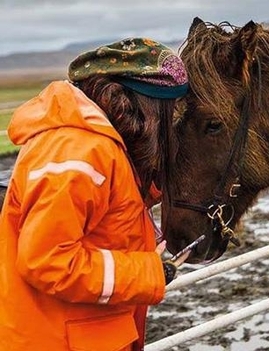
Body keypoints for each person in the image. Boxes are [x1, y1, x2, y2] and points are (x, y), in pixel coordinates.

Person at [0, 37, 190, 351]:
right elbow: (48, 261)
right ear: (135, 106)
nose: (169, 127)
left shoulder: (101, 146)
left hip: (83, 334)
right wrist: (146, 273)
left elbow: (109, 212)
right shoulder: (78, 154)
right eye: (166, 113)